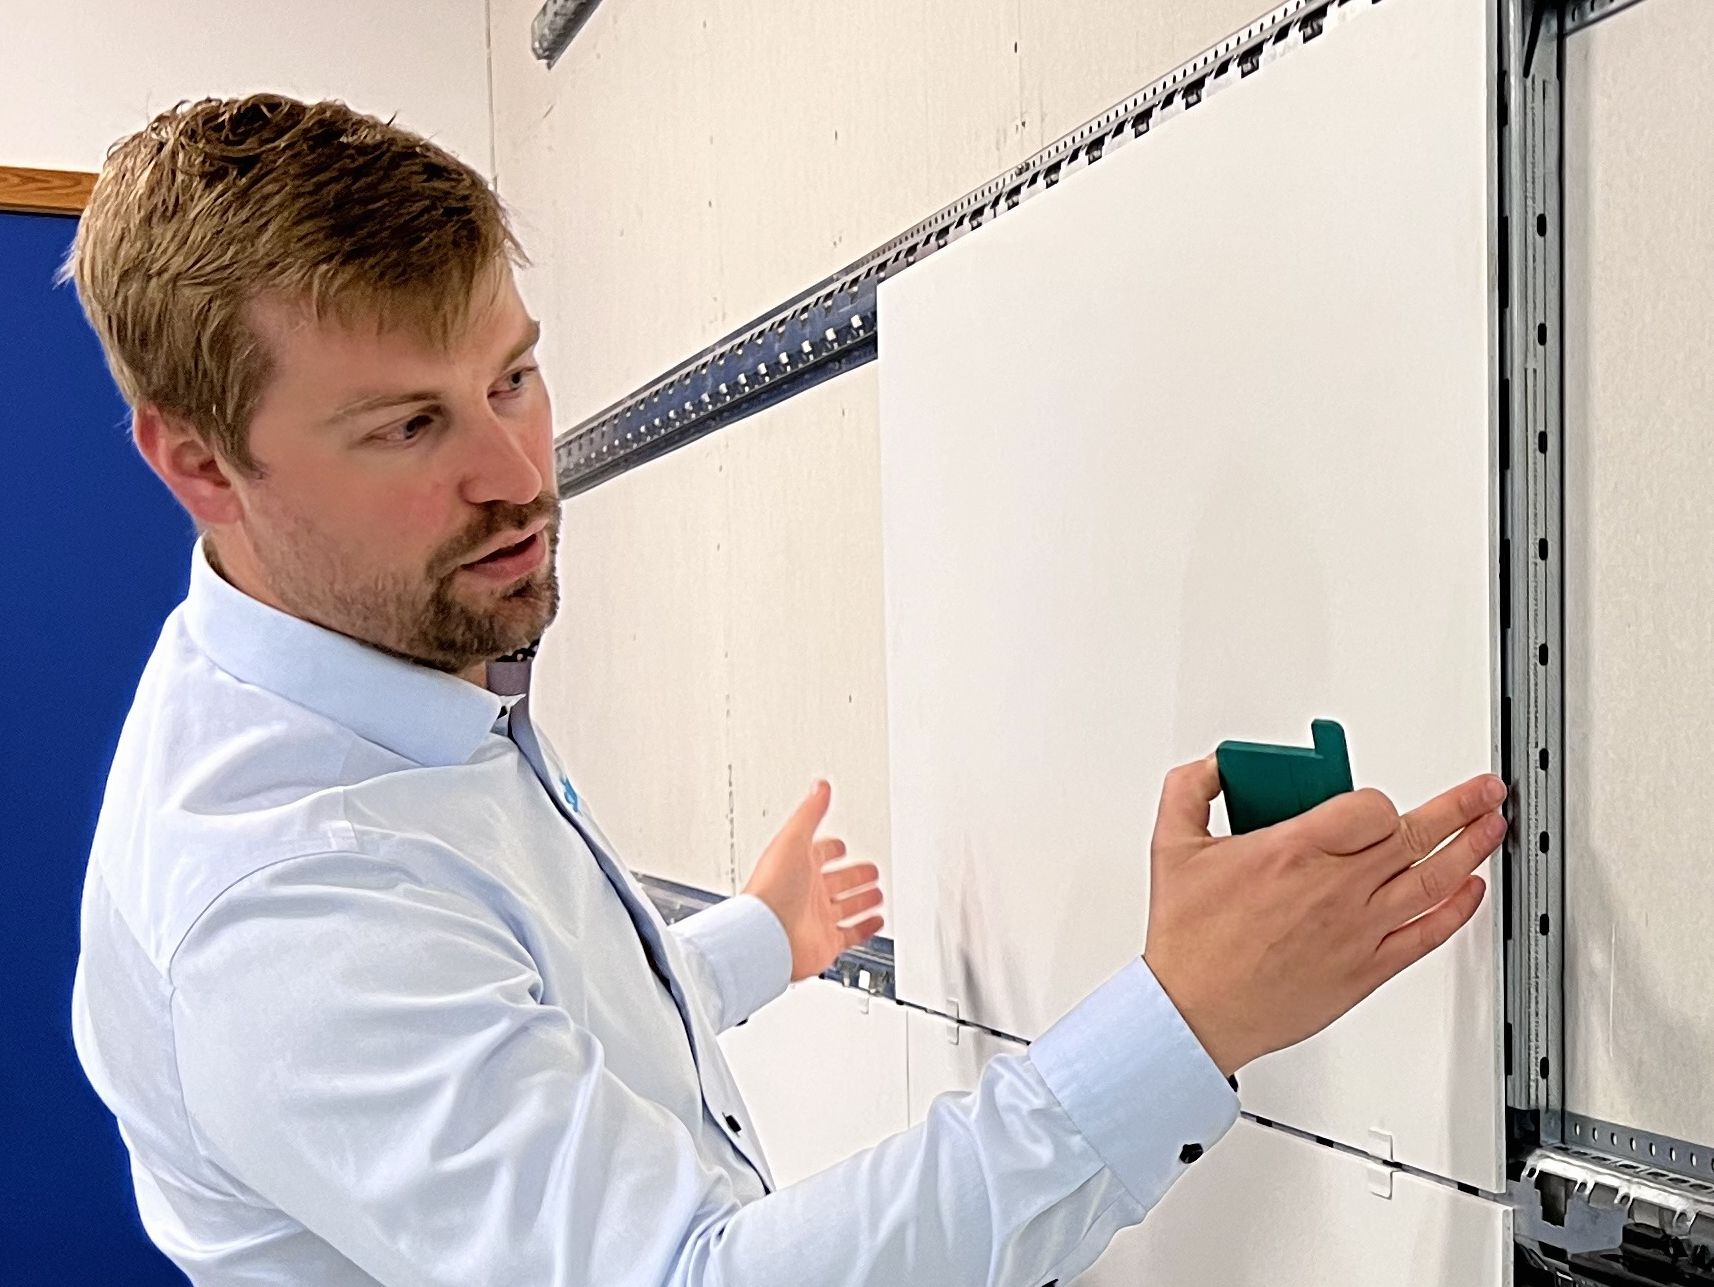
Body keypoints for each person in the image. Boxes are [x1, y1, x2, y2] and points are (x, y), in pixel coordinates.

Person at [67, 94, 1507, 1286]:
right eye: (407, 426)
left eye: (513, 379)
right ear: (199, 464)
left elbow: (527, 1035)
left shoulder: (382, 678)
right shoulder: (284, 903)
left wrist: (753, 941)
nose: (514, 477)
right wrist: (1185, 1023)